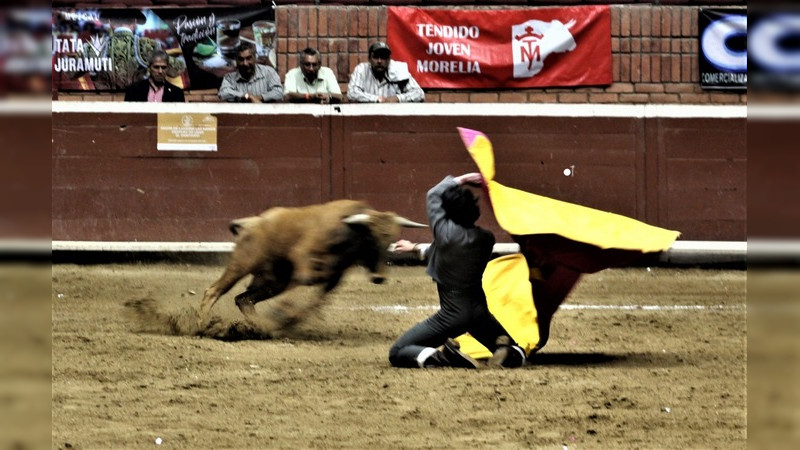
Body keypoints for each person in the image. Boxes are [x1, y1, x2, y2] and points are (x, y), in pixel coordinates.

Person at [388, 173, 526, 369]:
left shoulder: (446, 234)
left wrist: (461, 179)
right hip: (479, 313)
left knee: (399, 352)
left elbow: (433, 194)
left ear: (448, 214)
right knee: (513, 348)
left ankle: (447, 357)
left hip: (451, 316)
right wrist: (417, 247)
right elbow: (452, 255)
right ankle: (509, 353)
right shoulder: (486, 239)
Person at [347, 41, 425, 103]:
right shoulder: (362, 69)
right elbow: (352, 93)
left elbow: (419, 93)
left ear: (389, 60)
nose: (379, 61)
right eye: (376, 57)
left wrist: (398, 98)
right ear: (369, 59)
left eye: (383, 57)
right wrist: (377, 99)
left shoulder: (397, 70)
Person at [218, 42, 283, 103]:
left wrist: (259, 97)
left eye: (248, 58)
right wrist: (247, 96)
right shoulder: (229, 78)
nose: (245, 63)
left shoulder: (268, 72)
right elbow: (223, 94)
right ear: (236, 61)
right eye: (241, 59)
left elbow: (279, 92)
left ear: (255, 58)